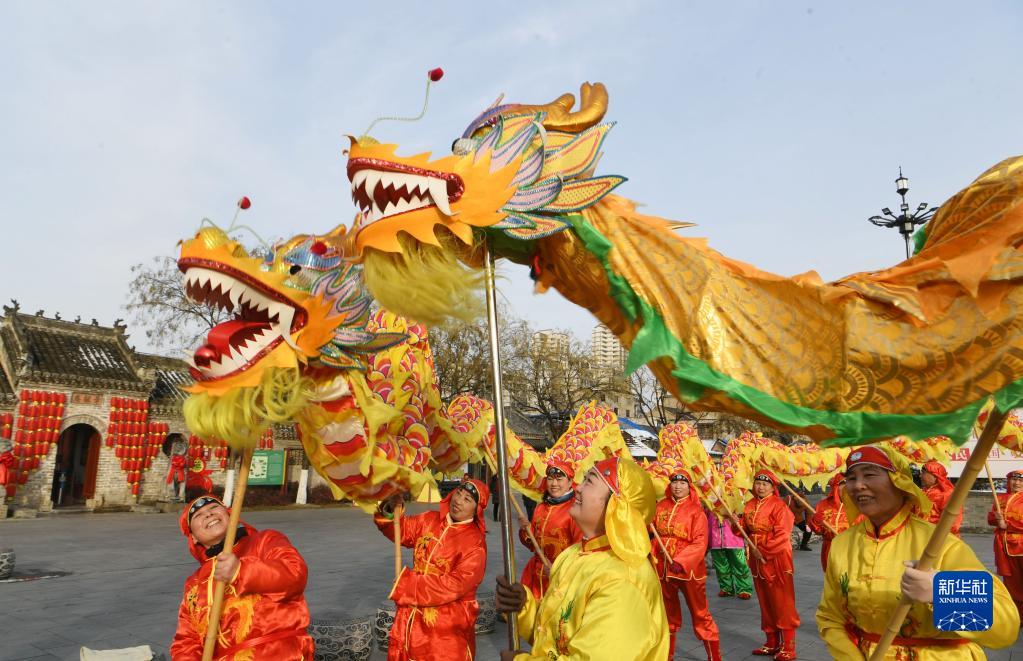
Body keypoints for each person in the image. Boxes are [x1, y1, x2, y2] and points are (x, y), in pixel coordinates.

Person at [816, 445, 1020, 658]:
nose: (858, 485)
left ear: (899, 482)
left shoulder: (939, 544)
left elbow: (1005, 628)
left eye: (869, 475)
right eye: (851, 478)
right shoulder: (841, 544)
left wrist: (940, 592)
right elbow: (830, 617)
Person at [495, 455, 669, 660]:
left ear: (617, 504)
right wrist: (524, 607)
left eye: (589, 481)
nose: (578, 488)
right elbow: (557, 635)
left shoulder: (622, 580)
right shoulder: (573, 555)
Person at [170, 495, 314, 660]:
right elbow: (186, 641)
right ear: (193, 537)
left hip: (279, 653)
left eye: (214, 508)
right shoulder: (194, 583)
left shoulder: (264, 541)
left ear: (230, 515)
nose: (209, 514)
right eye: (198, 515)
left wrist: (241, 571)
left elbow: (295, 574)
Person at [375, 477, 489, 661]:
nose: (458, 500)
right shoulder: (429, 519)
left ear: (477, 510)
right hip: (412, 617)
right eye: (458, 493)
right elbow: (401, 530)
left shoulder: (475, 543)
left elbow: (456, 584)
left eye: (467, 499)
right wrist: (390, 508)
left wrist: (409, 585)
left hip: (447, 627)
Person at [653, 470, 721, 661]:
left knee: (700, 613)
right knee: (667, 613)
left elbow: (700, 542)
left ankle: (714, 657)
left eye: (682, 483)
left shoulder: (696, 511)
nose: (678, 486)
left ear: (689, 487)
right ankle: (667, 654)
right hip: (663, 568)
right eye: (674, 483)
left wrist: (681, 561)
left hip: (688, 570)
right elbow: (653, 531)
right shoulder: (660, 506)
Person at [735, 470, 799, 661]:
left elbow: (783, 535)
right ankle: (772, 642)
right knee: (765, 602)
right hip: (757, 560)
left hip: (776, 559)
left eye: (765, 484)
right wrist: (735, 522)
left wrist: (763, 550)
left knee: (782, 602)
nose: (760, 487)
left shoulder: (780, 506)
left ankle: (788, 646)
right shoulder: (750, 504)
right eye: (758, 483)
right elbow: (743, 531)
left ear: (772, 487)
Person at [517, 461, 583, 599]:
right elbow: (532, 545)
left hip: (561, 579)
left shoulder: (575, 510)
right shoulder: (540, 507)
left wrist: (558, 569)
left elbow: (580, 550)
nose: (554, 484)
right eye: (550, 479)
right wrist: (525, 530)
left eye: (559, 479)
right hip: (535, 576)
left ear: (570, 482)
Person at [989, 469, 1023, 621]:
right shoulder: (1000, 498)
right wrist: (996, 518)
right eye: (1014, 479)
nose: (1017, 483)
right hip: (1004, 547)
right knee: (1012, 583)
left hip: (1020, 545)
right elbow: (991, 519)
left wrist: (1007, 524)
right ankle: (1018, 616)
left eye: (1021, 480)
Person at [707, 505, 753, 599]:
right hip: (715, 538)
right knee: (721, 567)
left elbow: (743, 514)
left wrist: (736, 516)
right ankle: (726, 588)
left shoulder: (735, 499)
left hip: (734, 538)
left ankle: (744, 588)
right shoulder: (708, 500)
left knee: (739, 565)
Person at [808, 474, 852, 571]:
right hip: (829, 549)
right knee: (831, 577)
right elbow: (818, 530)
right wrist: (815, 521)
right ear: (836, 487)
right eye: (843, 484)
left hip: (851, 549)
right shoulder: (823, 505)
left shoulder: (859, 506)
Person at [919, 460, 963, 536]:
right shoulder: (923, 492)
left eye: (923, 473)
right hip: (922, 535)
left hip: (939, 538)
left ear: (935, 475)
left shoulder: (947, 494)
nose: (920, 476)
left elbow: (953, 523)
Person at [778, 483, 813, 551]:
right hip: (786, 518)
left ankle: (803, 545)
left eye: (801, 504)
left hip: (798, 519)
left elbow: (808, 514)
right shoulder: (788, 498)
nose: (800, 505)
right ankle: (782, 546)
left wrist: (808, 524)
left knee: (808, 530)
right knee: (783, 532)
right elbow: (780, 508)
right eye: (798, 503)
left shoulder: (806, 502)